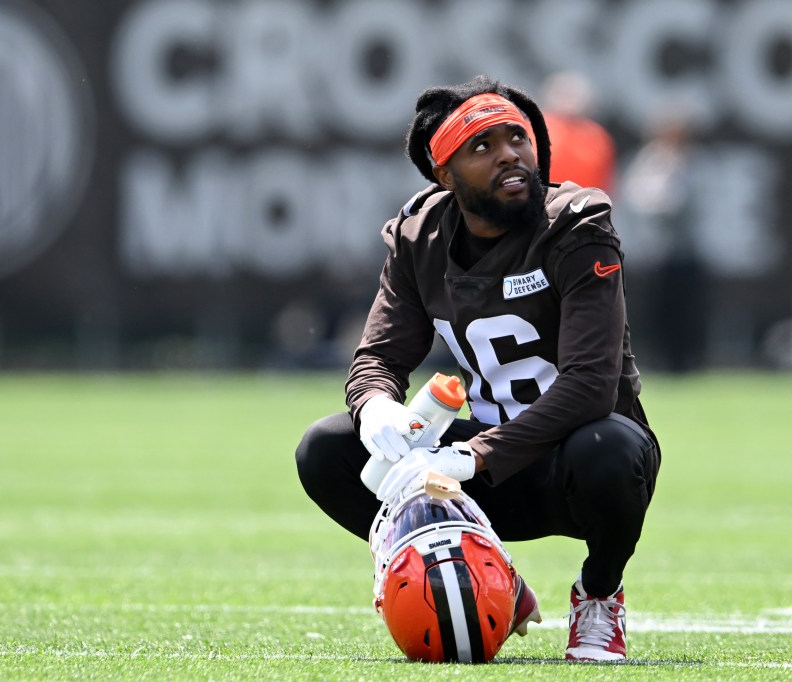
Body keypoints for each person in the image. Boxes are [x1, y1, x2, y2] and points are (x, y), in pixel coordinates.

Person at [295, 75, 661, 663]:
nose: (509, 154)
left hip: (574, 462)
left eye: (517, 138)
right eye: (482, 147)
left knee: (609, 447)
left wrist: (475, 454)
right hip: (481, 480)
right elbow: (379, 358)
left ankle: (599, 594)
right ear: (445, 175)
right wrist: (377, 407)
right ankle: (478, 573)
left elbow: (593, 384)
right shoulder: (421, 236)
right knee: (327, 448)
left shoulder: (577, 224)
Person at [621, 112, 707, 373]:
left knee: (687, 308)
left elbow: (686, 201)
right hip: (654, 251)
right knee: (658, 309)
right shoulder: (650, 159)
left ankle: (687, 361)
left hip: (684, 250)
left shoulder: (693, 160)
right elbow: (636, 196)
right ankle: (659, 360)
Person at [540, 71, 615, 193]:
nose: (568, 102)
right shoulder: (533, 127)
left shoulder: (597, 138)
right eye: (564, 95)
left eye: (572, 96)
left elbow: (605, 178)